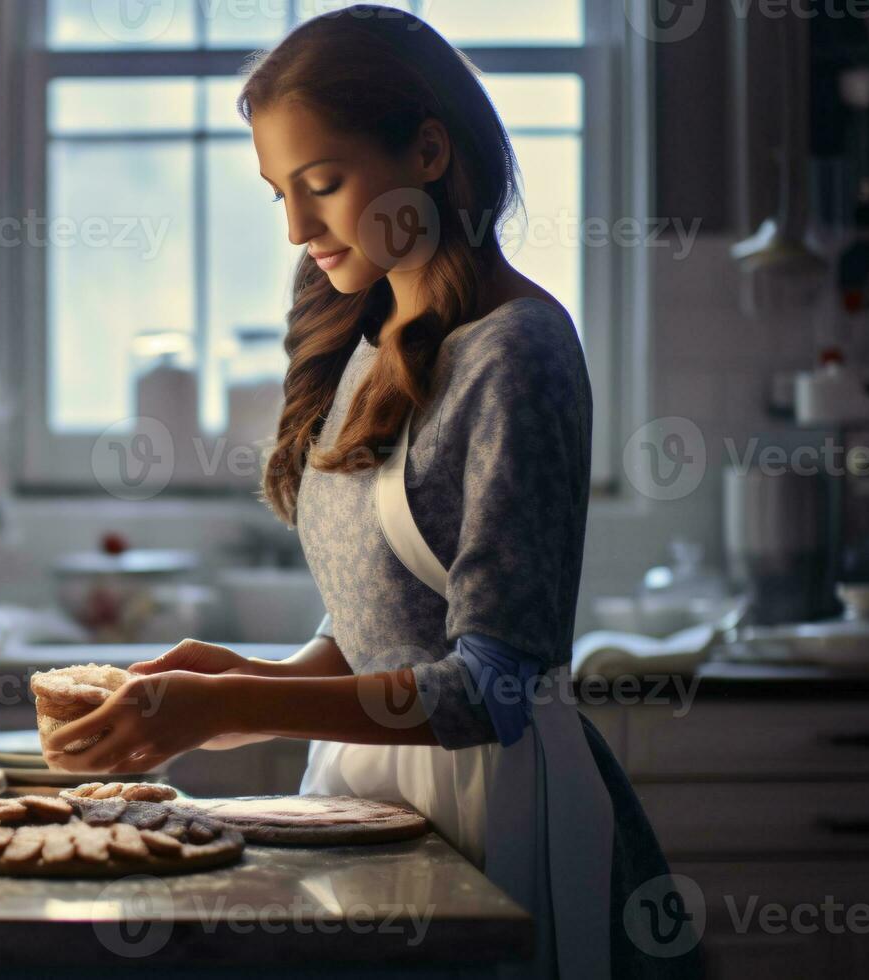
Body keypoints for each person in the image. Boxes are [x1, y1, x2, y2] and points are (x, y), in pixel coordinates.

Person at [43, 8, 702, 979]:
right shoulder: (366, 347)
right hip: (371, 799)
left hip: (496, 807)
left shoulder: (520, 351)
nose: (299, 229)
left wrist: (224, 696)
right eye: (280, 194)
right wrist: (241, 689)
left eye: (323, 184)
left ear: (429, 151)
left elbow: (495, 684)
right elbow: (383, 628)